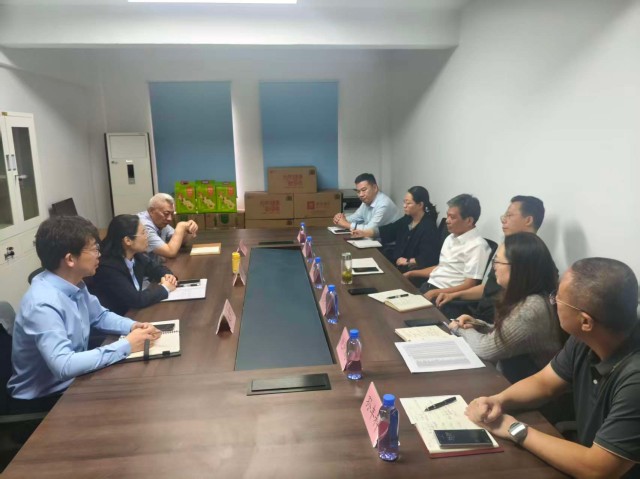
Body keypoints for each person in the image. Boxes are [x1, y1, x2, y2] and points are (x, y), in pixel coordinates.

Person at [465, 258, 640, 478]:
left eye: (557, 298)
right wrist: (499, 400)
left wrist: (513, 428)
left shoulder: (635, 379)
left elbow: (598, 469)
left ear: (585, 321)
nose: (553, 302)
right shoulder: (587, 339)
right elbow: (545, 383)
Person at [7, 216, 161, 413]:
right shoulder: (42, 304)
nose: (99, 255)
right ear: (70, 259)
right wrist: (127, 345)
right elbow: (64, 365)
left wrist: (132, 326)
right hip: (43, 402)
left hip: (71, 383)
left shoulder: (75, 284)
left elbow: (100, 316)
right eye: (95, 249)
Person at [448, 233, 563, 383]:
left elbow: (486, 349)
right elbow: (508, 333)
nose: (494, 267)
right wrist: (478, 325)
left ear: (517, 268)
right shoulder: (529, 296)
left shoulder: (532, 308)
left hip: (524, 389)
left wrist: (460, 328)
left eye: (497, 261)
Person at [436, 195, 546, 321]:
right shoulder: (507, 248)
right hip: (479, 316)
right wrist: (454, 295)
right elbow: (489, 288)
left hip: (496, 323)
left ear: (528, 220)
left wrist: (481, 325)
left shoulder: (535, 260)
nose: (503, 220)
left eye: (509, 215)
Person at [404, 194, 491, 302]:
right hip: (429, 287)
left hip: (446, 298)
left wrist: (436, 292)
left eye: (452, 217)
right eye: (447, 216)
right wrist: (412, 273)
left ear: (469, 220)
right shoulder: (450, 237)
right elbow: (441, 268)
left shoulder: (477, 246)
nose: (447, 220)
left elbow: (470, 285)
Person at [90, 214, 178, 316]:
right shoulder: (108, 267)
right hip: (119, 317)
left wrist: (168, 276)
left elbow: (157, 268)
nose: (147, 236)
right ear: (128, 241)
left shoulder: (136, 255)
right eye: (143, 233)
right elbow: (136, 300)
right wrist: (165, 288)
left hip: (134, 313)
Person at [351, 186, 440, 272]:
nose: (404, 206)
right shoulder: (408, 219)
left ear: (420, 205)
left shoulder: (428, 227)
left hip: (410, 269)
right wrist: (364, 233)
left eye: (408, 203)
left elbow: (429, 257)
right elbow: (389, 230)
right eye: (404, 202)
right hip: (396, 262)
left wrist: (408, 261)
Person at [332, 173, 402, 232]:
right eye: (358, 191)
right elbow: (355, 218)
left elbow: (369, 230)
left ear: (375, 188)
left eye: (364, 190)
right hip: (374, 240)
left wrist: (345, 224)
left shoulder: (383, 204)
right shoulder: (366, 202)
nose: (361, 195)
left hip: (388, 243)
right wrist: (340, 218)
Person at [138, 193, 198, 259]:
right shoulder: (143, 225)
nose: (170, 219)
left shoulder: (160, 222)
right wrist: (181, 226)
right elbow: (170, 252)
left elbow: (179, 242)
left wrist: (189, 230)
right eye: (166, 214)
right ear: (151, 211)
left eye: (172, 214)